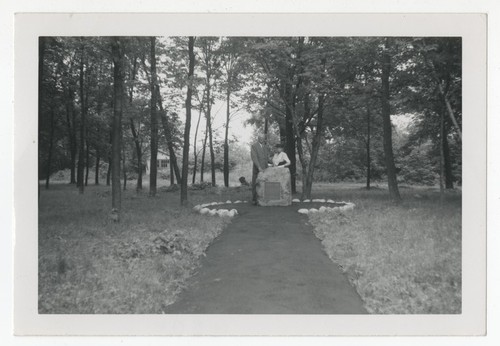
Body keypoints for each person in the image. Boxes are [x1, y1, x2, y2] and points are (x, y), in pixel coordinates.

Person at [250, 133, 270, 205]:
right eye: (260, 137)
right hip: (257, 168)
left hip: (265, 168)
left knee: (264, 183)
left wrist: (273, 162)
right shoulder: (254, 146)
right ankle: (254, 199)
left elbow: (266, 158)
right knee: (256, 183)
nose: (262, 139)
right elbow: (254, 157)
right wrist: (259, 167)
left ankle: (263, 199)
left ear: (264, 139)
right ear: (258, 138)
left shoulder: (265, 147)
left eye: (263, 138)